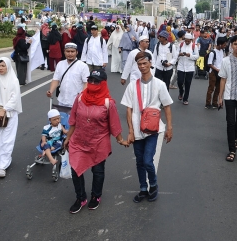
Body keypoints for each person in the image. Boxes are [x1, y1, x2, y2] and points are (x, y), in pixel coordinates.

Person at [63, 69, 128, 213]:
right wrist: (68, 138)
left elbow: (114, 124)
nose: (92, 83)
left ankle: (95, 196)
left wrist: (120, 140)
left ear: (103, 83)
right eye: (90, 80)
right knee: (75, 170)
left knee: (97, 171)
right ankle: (80, 198)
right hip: (79, 140)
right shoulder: (80, 98)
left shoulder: (108, 103)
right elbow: (73, 120)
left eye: (96, 81)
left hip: (99, 142)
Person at [120, 51, 173, 203]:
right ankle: (143, 188)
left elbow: (167, 107)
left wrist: (169, 128)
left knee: (147, 161)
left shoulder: (160, 84)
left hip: (153, 129)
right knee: (139, 161)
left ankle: (153, 185)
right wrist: (130, 131)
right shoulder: (132, 85)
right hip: (137, 129)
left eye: (145, 63)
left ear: (150, 63)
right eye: (139, 64)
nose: (142, 66)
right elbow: (128, 109)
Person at [46, 43, 89, 110]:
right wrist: (51, 91)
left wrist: (82, 96)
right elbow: (56, 79)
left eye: (72, 51)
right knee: (62, 120)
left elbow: (86, 83)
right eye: (68, 51)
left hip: (76, 101)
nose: (70, 54)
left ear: (76, 52)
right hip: (62, 100)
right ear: (64, 52)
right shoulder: (60, 64)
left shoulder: (83, 66)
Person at [177, 33, 199, 105]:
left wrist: (190, 55)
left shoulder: (194, 46)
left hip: (190, 68)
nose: (187, 42)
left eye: (188, 41)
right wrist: (179, 54)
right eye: (186, 40)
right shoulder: (180, 45)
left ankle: (185, 98)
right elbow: (175, 54)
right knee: (180, 81)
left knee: (187, 83)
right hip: (181, 66)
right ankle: (181, 91)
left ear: (191, 40)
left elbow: (197, 56)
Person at [206, 37, 227, 109]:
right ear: (220, 44)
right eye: (224, 44)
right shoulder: (212, 52)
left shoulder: (222, 51)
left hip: (220, 72)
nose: (225, 46)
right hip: (213, 72)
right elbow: (209, 64)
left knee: (218, 88)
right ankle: (208, 103)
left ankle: (215, 102)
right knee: (211, 88)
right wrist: (217, 70)